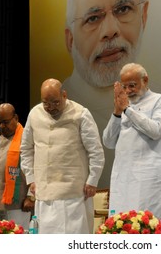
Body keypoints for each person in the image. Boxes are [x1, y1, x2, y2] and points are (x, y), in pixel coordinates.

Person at [62, 0, 151, 135]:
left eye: (123, 9)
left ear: (143, 16)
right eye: (93, 18)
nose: (110, 31)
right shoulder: (52, 114)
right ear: (71, 40)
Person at [20, 78, 105, 234]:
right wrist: (30, 178)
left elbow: (96, 151)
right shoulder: (34, 114)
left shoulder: (81, 114)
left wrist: (93, 180)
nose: (50, 107)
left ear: (64, 95)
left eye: (55, 102)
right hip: (43, 190)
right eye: (46, 103)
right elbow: (25, 148)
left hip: (74, 192)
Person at [102, 63, 161, 229]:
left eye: (132, 85)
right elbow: (108, 141)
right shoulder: (123, 106)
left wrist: (128, 110)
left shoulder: (160, 100)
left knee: (151, 226)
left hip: (151, 177)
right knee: (123, 226)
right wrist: (117, 113)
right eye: (125, 86)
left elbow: (156, 130)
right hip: (124, 178)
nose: (129, 90)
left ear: (145, 80)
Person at [0, 103, 34, 231]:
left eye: (5, 122)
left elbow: (36, 167)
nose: (2, 126)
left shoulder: (27, 137)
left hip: (18, 204)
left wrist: (31, 196)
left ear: (16, 118)